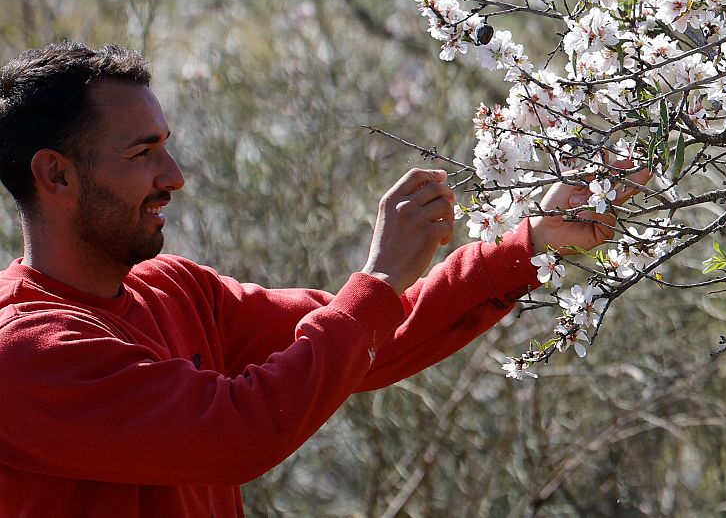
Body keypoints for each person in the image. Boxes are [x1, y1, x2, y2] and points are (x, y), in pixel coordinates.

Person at [0, 42, 646, 516]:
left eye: (166, 145)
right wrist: (381, 275)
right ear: (56, 175)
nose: (174, 175)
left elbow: (368, 340)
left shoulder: (177, 290)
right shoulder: (24, 355)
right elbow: (239, 432)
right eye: (143, 153)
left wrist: (530, 240)